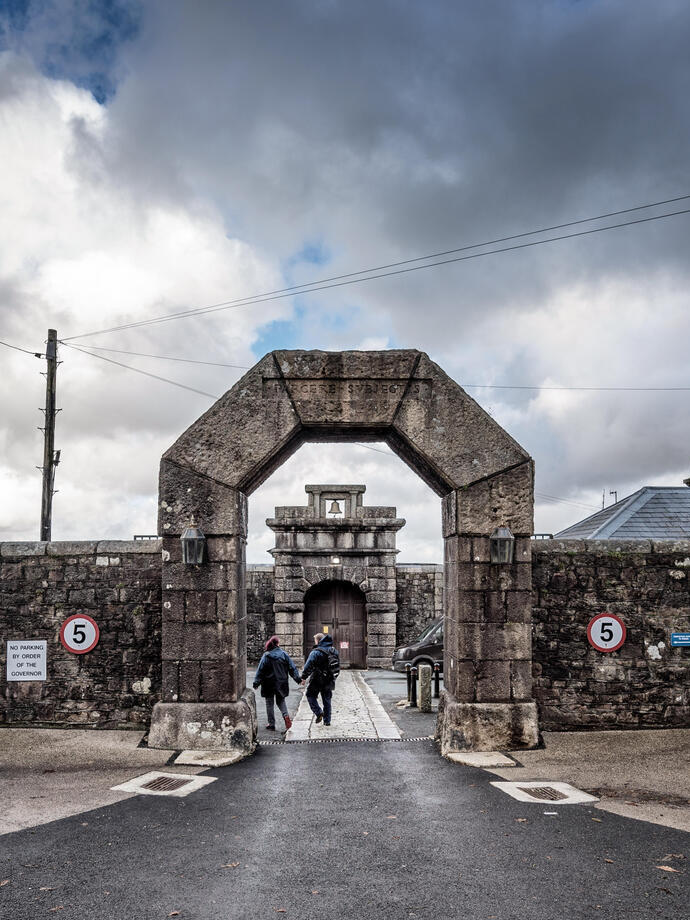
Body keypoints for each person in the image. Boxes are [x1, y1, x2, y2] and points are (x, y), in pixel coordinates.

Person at [253, 635, 301, 731]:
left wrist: (256, 683)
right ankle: (286, 716)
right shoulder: (284, 654)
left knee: (269, 703)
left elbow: (260, 670)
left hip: (268, 683)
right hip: (281, 682)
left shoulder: (266, 655)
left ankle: (271, 724)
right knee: (281, 701)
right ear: (277, 644)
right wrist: (298, 679)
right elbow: (292, 668)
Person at [301, 632, 339, 726]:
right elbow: (337, 666)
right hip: (329, 679)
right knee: (327, 699)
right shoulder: (333, 651)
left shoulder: (316, 652)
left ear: (318, 641)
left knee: (310, 695)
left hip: (317, 679)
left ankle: (318, 712)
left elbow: (308, 666)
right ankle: (327, 721)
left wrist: (304, 677)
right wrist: (334, 677)